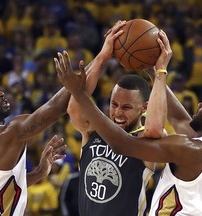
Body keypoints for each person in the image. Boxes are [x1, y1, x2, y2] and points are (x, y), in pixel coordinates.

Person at [56, 29, 202, 215]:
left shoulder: (190, 150)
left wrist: (79, 93)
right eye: (114, 104)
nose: (199, 104)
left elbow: (123, 143)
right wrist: (152, 70)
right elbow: (179, 118)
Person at [54, 20, 168, 215]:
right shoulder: (95, 130)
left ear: (144, 108)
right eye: (114, 105)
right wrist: (103, 56)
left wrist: (160, 71)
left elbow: (155, 129)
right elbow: (75, 109)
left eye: (126, 107)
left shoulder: (144, 140)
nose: (117, 113)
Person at [0, 78, 70, 215]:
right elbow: (56, 108)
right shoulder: (1, 136)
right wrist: (98, 61)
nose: (1, 93)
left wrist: (39, 172)